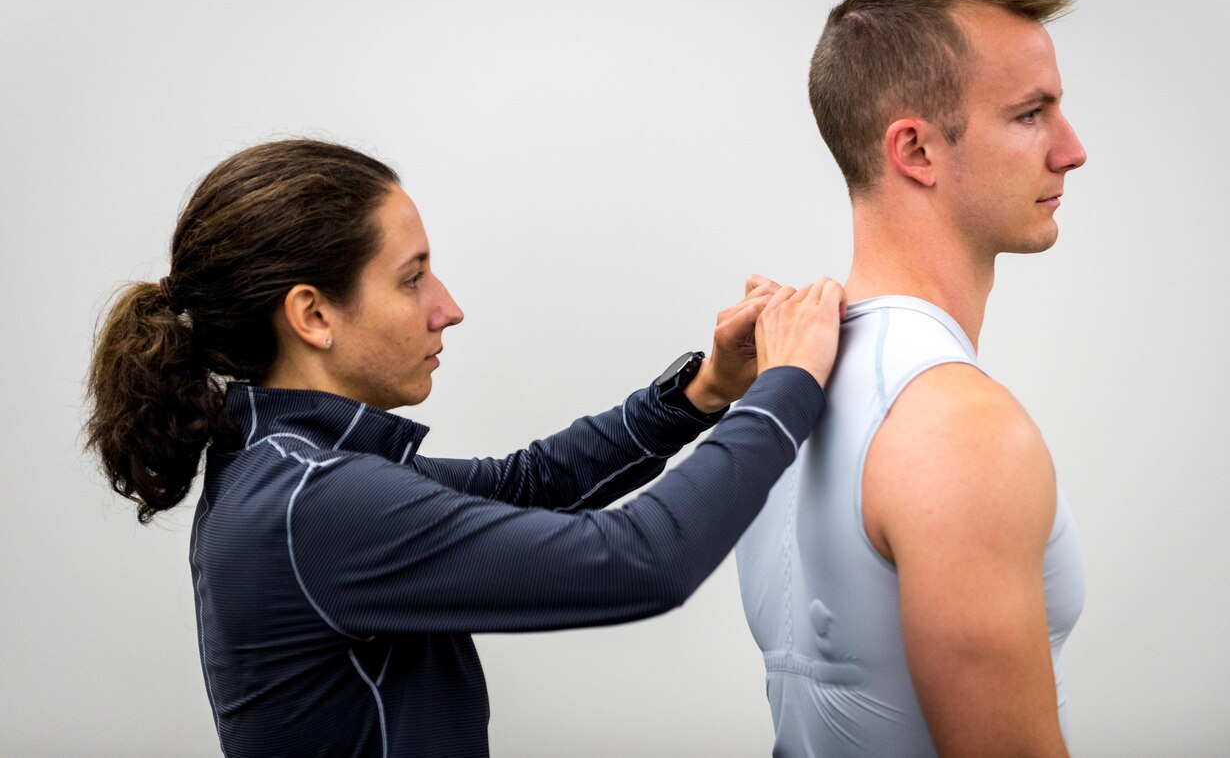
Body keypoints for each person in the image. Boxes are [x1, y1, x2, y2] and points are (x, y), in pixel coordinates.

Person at [85, 139, 846, 758]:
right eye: (412, 279)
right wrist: (788, 385)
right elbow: (640, 562)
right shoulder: (310, 502)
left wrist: (705, 391)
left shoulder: (288, 467)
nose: (447, 307)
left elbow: (527, 482)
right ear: (313, 315)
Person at [736, 0, 1088, 756]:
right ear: (916, 151)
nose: (1071, 150)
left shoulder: (779, 389)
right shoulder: (958, 428)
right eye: (1032, 114)